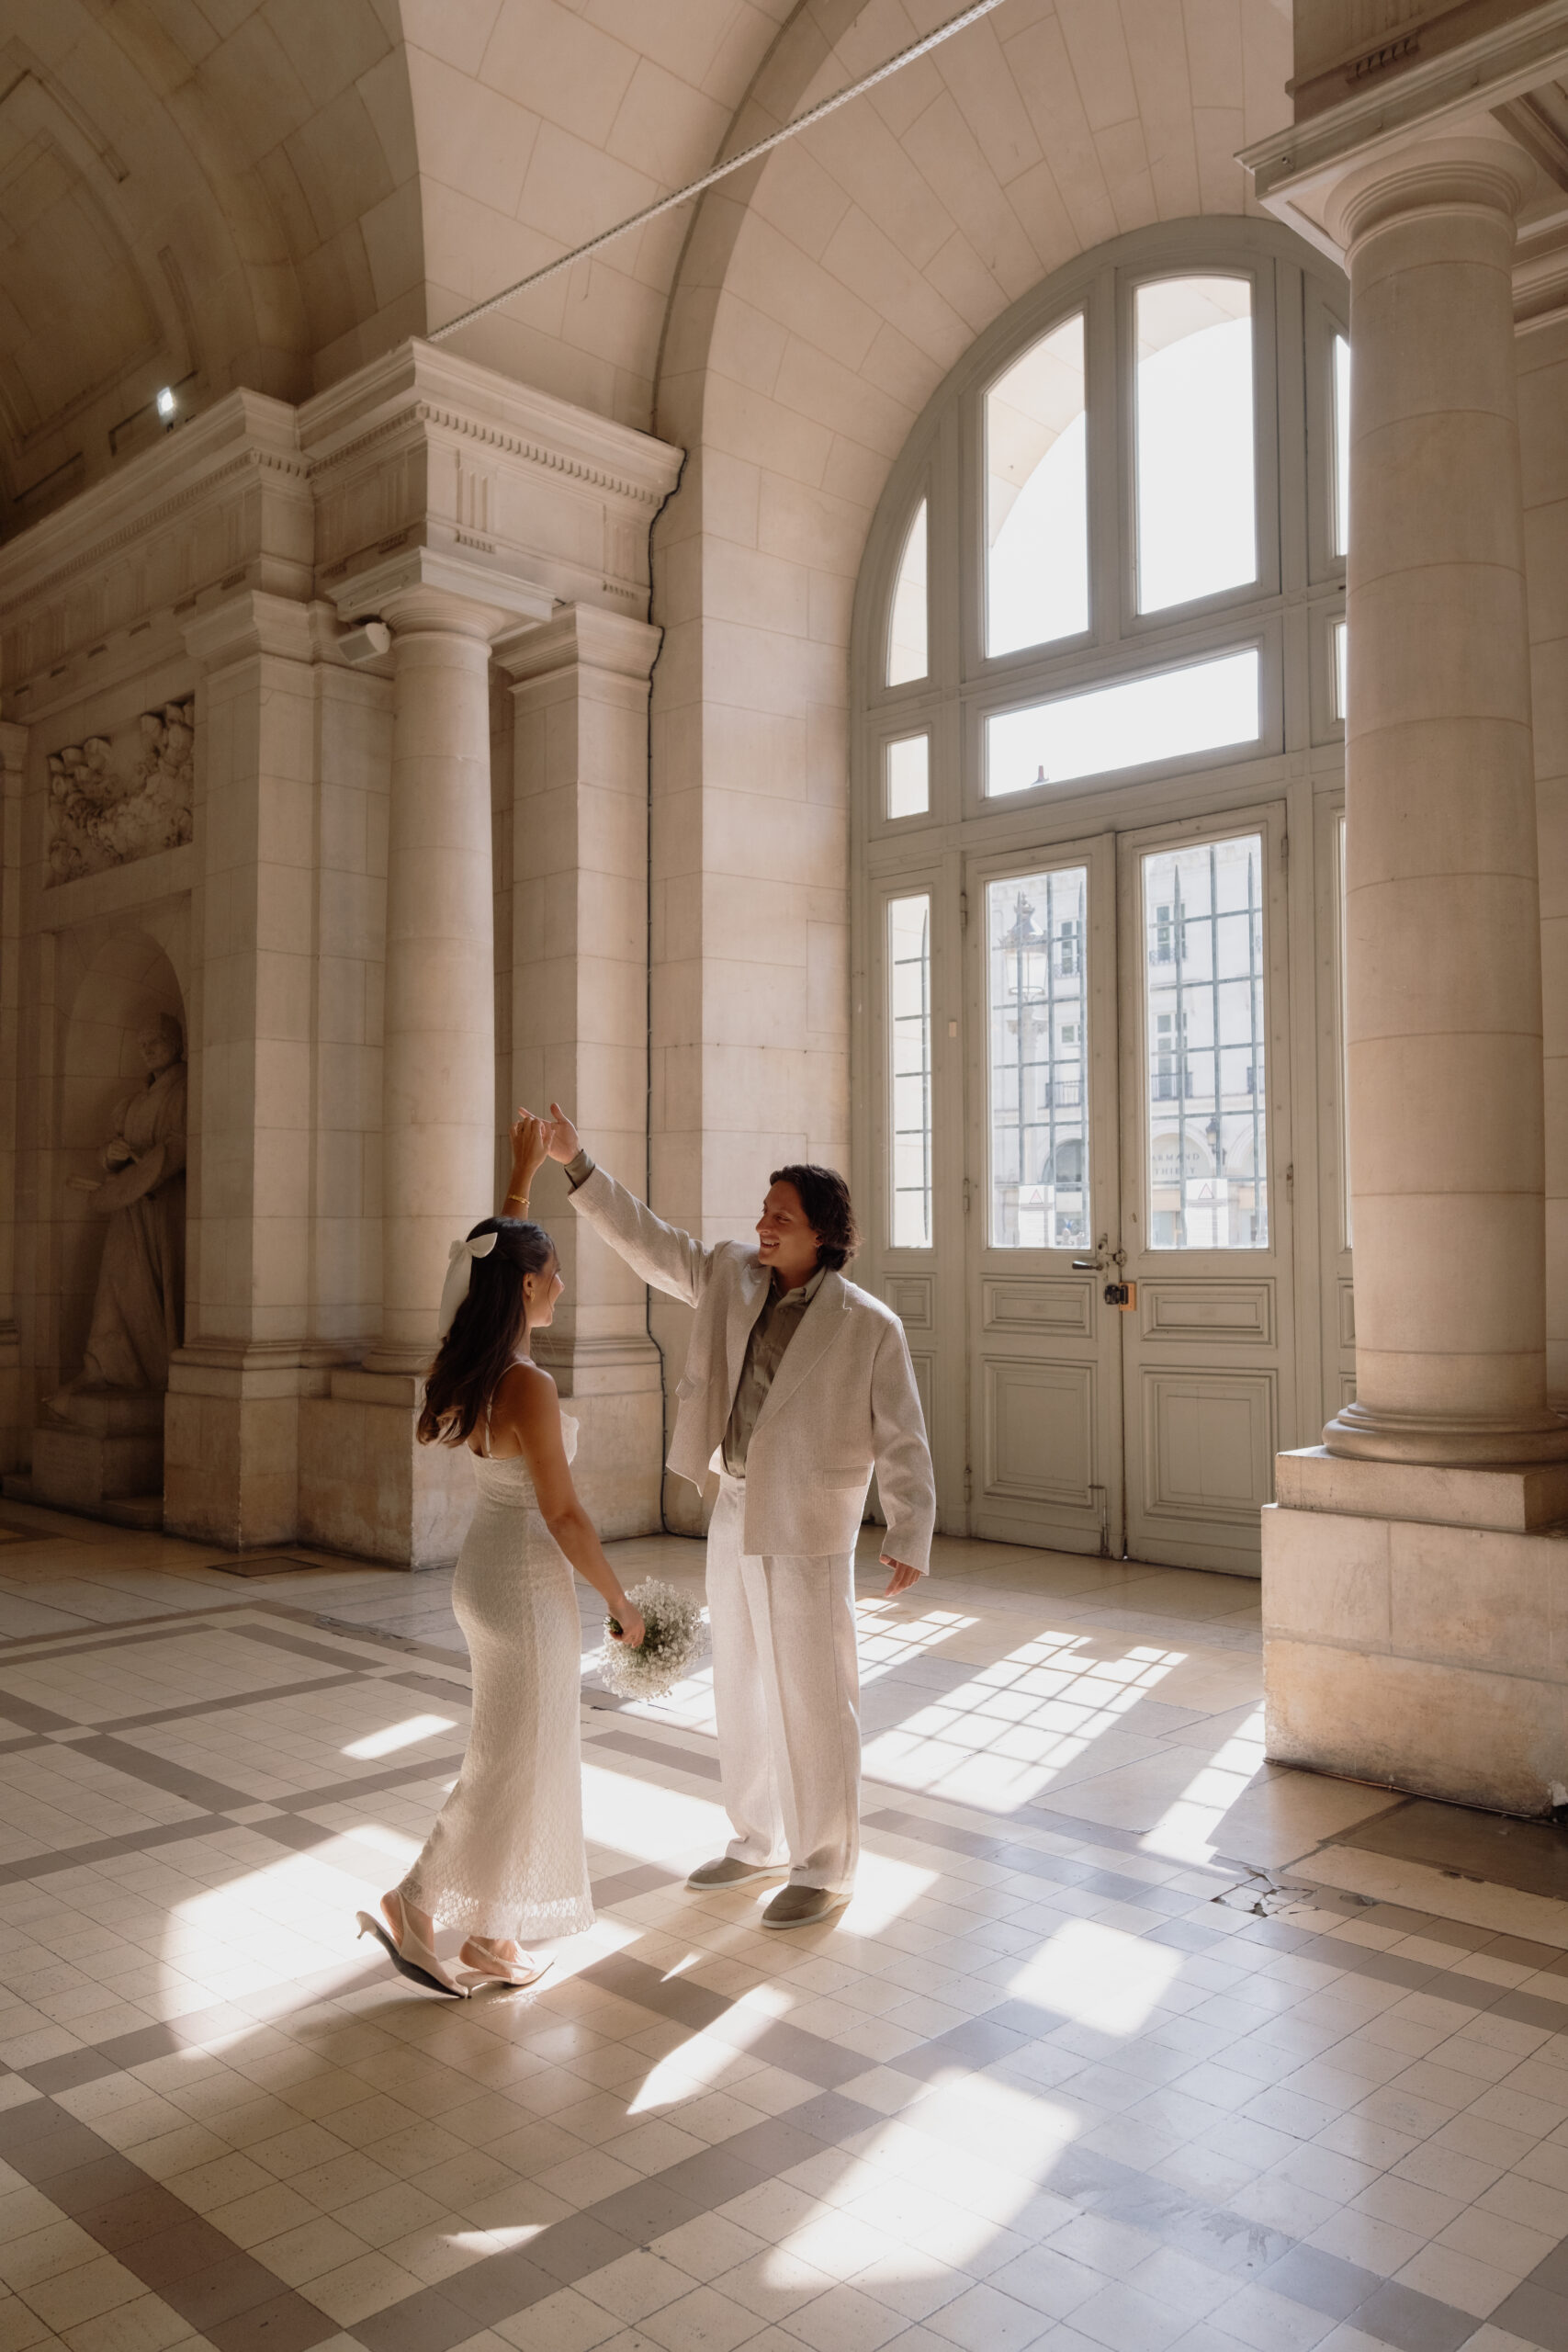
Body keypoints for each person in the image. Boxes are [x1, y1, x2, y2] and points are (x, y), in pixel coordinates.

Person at [525, 1102, 935, 1931]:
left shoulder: (869, 1328)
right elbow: (648, 1241)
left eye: (779, 1217)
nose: (762, 1225)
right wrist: (576, 1164)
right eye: (764, 1211)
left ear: (823, 1235)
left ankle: (826, 1866)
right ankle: (754, 1840)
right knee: (742, 1686)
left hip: (810, 1523)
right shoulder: (727, 1274)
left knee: (816, 1698)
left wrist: (907, 1532)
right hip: (736, 1505)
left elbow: (903, 1437)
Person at [357, 1114, 645, 1997]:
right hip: (525, 1584)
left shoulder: (485, 1360)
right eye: (553, 1270)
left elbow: (483, 1258)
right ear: (527, 1285)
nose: (562, 1282)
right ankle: (415, 1900)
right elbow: (563, 1517)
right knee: (510, 1761)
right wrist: (620, 1604)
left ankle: (495, 1935)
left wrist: (521, 1176)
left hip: (482, 1573)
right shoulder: (528, 1384)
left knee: (520, 1753)